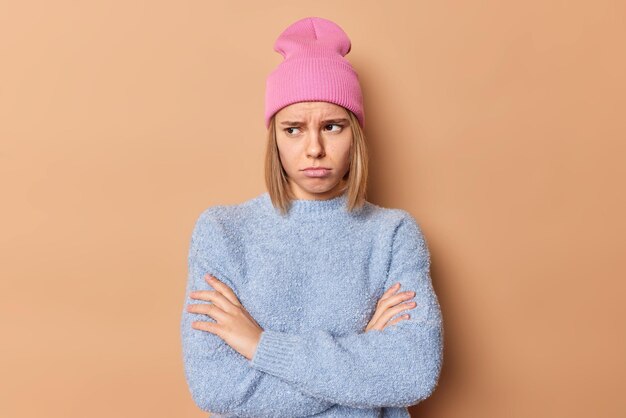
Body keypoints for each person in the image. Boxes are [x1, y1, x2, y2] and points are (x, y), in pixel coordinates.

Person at [180, 16, 444, 418]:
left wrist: (260, 346)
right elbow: (217, 389)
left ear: (354, 133)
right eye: (293, 129)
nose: (314, 148)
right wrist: (362, 351)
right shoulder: (222, 232)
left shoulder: (393, 234)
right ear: (275, 137)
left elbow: (413, 372)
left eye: (332, 126)